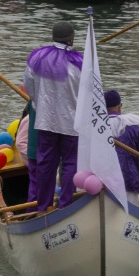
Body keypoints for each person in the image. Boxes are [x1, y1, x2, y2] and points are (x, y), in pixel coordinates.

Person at [22, 21, 83, 212]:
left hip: (45, 121)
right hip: (71, 123)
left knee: (46, 164)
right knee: (71, 163)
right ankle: (65, 204)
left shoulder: (37, 58)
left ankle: (43, 206)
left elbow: (29, 84)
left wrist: (38, 104)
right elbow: (88, 94)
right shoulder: (80, 63)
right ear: (71, 39)